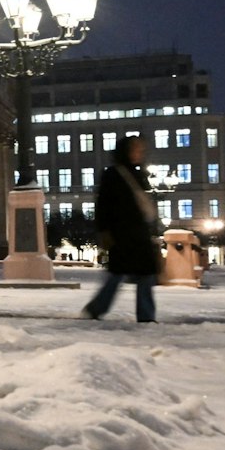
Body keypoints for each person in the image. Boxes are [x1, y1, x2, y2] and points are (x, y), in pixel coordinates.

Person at [82, 135, 159, 323]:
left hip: (138, 233)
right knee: (119, 274)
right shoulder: (113, 174)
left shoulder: (138, 174)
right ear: (125, 151)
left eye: (140, 149)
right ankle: (98, 307)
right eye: (135, 149)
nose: (139, 153)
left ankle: (143, 314)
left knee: (143, 274)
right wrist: (104, 231)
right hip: (122, 233)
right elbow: (102, 205)